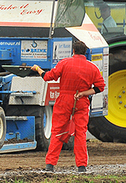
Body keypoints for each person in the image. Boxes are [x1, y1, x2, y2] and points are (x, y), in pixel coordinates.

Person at [31, 40, 105, 173]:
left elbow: (48, 77)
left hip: (64, 101)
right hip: (81, 101)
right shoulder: (92, 67)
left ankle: (50, 165)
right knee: (80, 133)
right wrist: (83, 93)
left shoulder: (65, 63)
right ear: (85, 52)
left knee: (57, 131)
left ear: (73, 51)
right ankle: (81, 166)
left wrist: (38, 69)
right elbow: (100, 87)